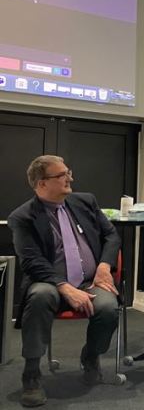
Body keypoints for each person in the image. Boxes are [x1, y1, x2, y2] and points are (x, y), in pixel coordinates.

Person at [9, 155, 121, 408]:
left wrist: (104, 266)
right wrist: (65, 287)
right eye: (62, 175)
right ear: (42, 183)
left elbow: (111, 235)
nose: (70, 178)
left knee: (107, 307)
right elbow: (32, 261)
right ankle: (31, 373)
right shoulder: (22, 217)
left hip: (90, 281)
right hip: (49, 281)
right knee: (40, 296)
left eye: (68, 172)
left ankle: (90, 355)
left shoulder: (85, 201)